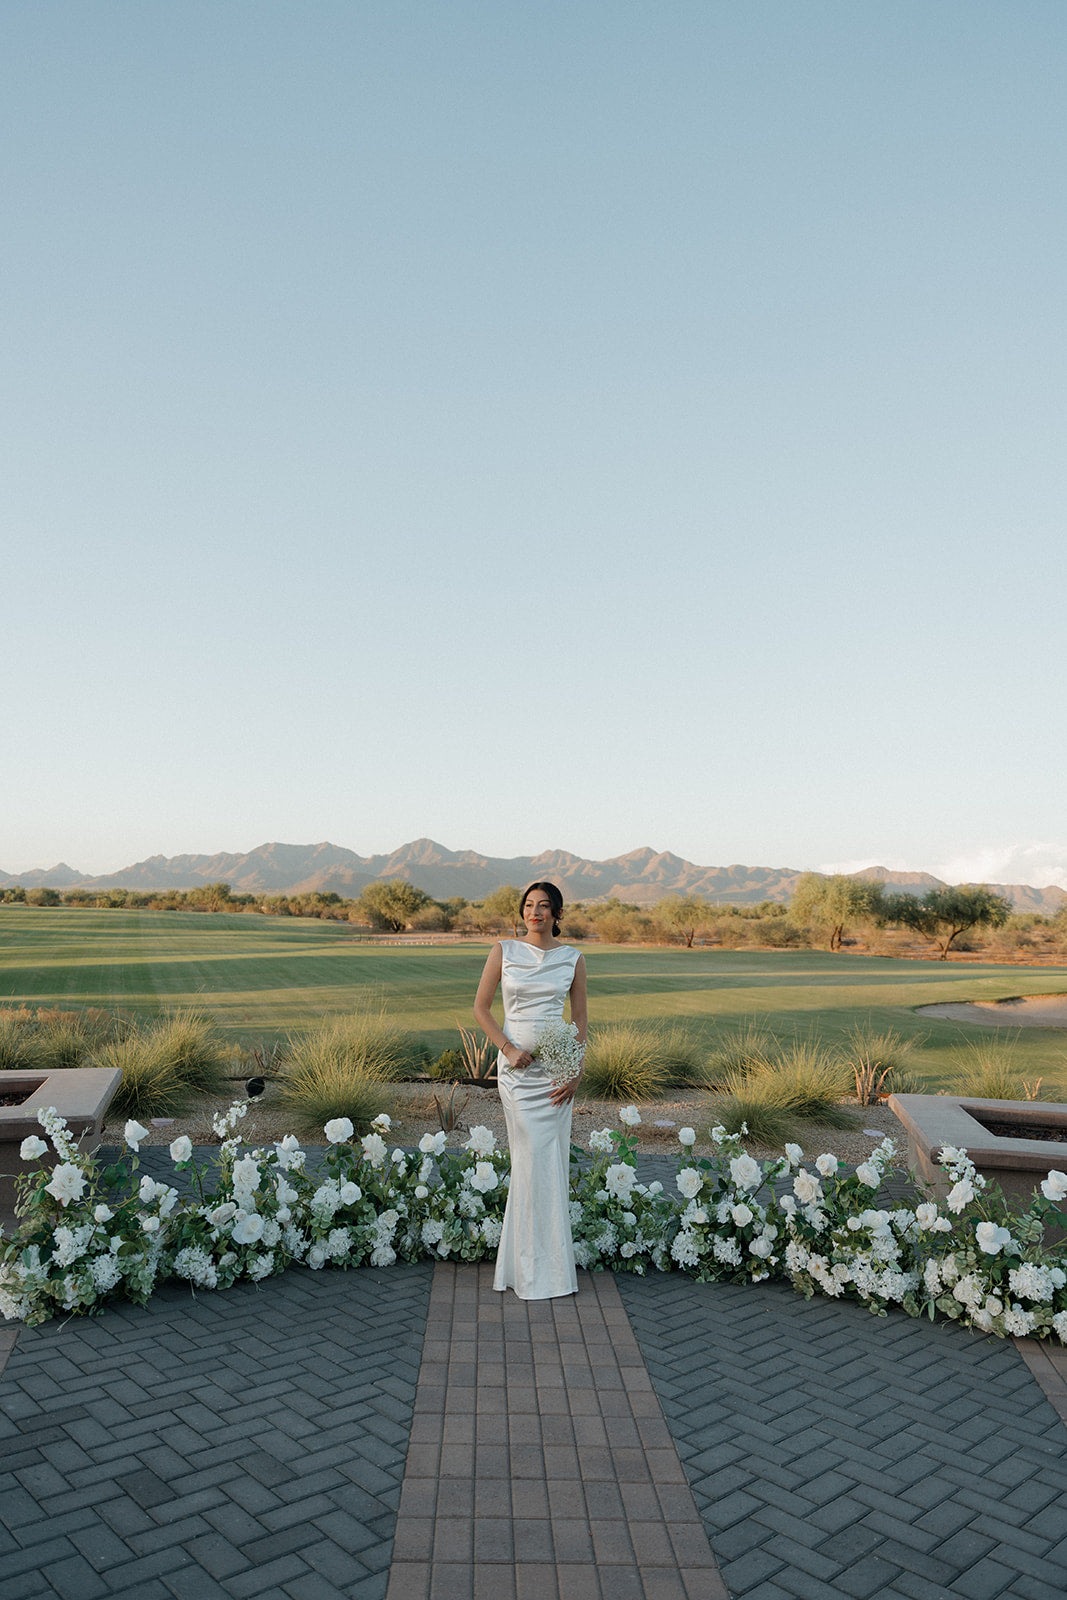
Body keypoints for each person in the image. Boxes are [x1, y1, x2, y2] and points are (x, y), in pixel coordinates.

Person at [473, 880, 587, 1299]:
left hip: (556, 1076)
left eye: (543, 906)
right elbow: (481, 1009)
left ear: (557, 913)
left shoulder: (573, 959)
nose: (534, 912)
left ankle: (550, 1272)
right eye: (528, 905)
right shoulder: (504, 950)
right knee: (528, 1159)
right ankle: (523, 1270)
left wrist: (574, 1071)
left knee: (549, 1163)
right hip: (518, 1076)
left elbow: (579, 1021)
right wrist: (507, 1048)